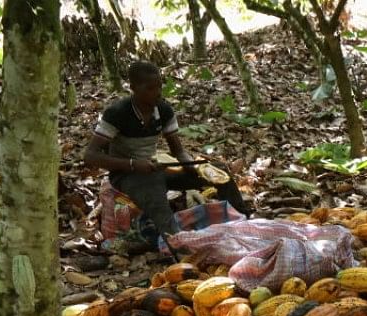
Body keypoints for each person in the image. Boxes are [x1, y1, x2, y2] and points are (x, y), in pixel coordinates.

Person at [84, 61, 250, 247]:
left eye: (159, 87)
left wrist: (192, 165)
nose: (157, 92)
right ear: (133, 88)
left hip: (154, 168)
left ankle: (247, 224)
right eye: (150, 88)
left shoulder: (163, 110)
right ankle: (180, 248)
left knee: (220, 173)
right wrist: (132, 164)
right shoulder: (117, 113)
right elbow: (90, 156)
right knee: (156, 197)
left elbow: (178, 150)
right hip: (126, 174)